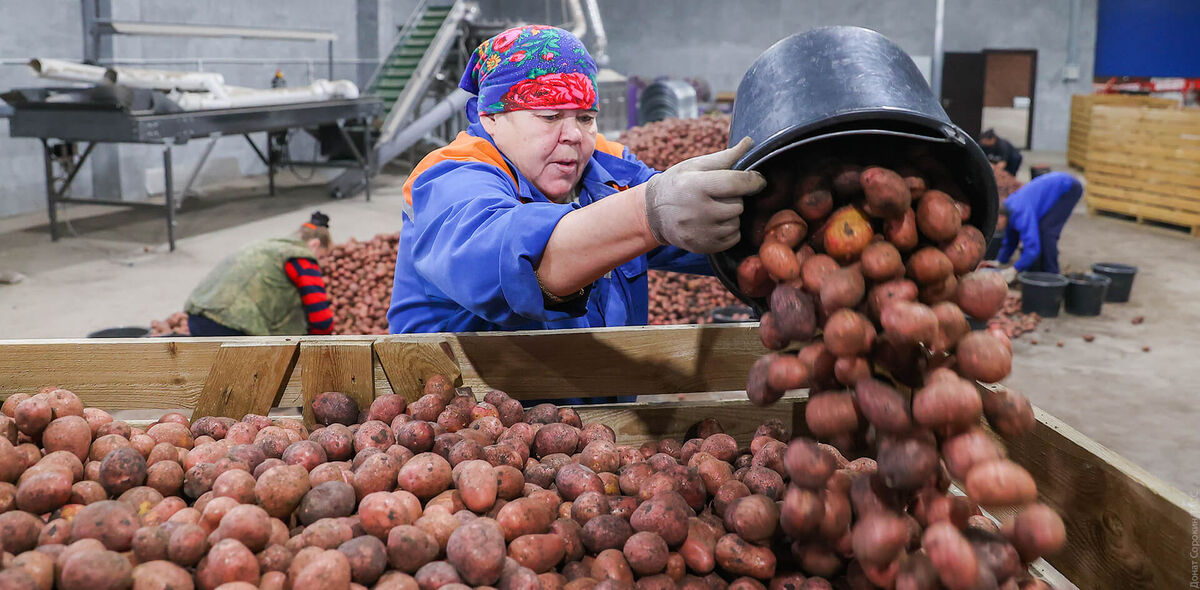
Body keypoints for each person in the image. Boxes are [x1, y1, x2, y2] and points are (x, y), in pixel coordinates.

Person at [387, 25, 764, 405]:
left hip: (598, 437)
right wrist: (647, 213)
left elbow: (718, 233)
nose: (574, 136)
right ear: (490, 117)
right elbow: (511, 261)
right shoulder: (450, 178)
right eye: (550, 115)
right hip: (474, 438)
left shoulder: (607, 170)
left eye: (585, 117)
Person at [185, 212, 335, 336]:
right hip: (232, 326)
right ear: (314, 244)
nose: (319, 264)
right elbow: (321, 320)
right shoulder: (301, 258)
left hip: (198, 314)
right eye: (321, 257)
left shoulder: (266, 246)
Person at [991, 171, 1084, 282]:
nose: (996, 228)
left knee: (1047, 232)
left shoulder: (1020, 213)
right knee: (1041, 229)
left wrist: (1015, 269)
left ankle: (1053, 275)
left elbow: (1032, 248)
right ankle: (1042, 269)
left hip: (1068, 188)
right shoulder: (1009, 210)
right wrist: (1000, 260)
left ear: (1001, 217)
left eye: (996, 223)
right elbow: (1011, 239)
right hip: (1052, 188)